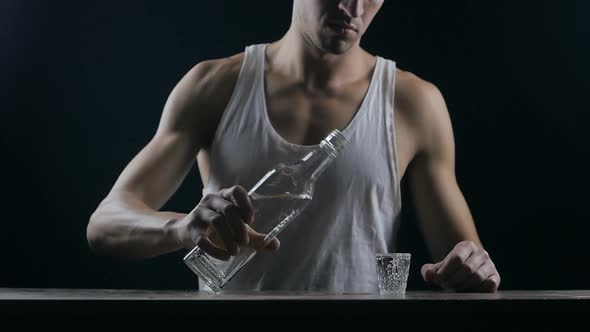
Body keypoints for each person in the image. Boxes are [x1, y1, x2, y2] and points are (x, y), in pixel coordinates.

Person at [87, 0, 500, 293]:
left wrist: (474, 268)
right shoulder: (215, 87)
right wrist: (181, 227)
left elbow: (463, 260)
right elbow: (105, 223)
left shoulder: (413, 103)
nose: (353, 8)